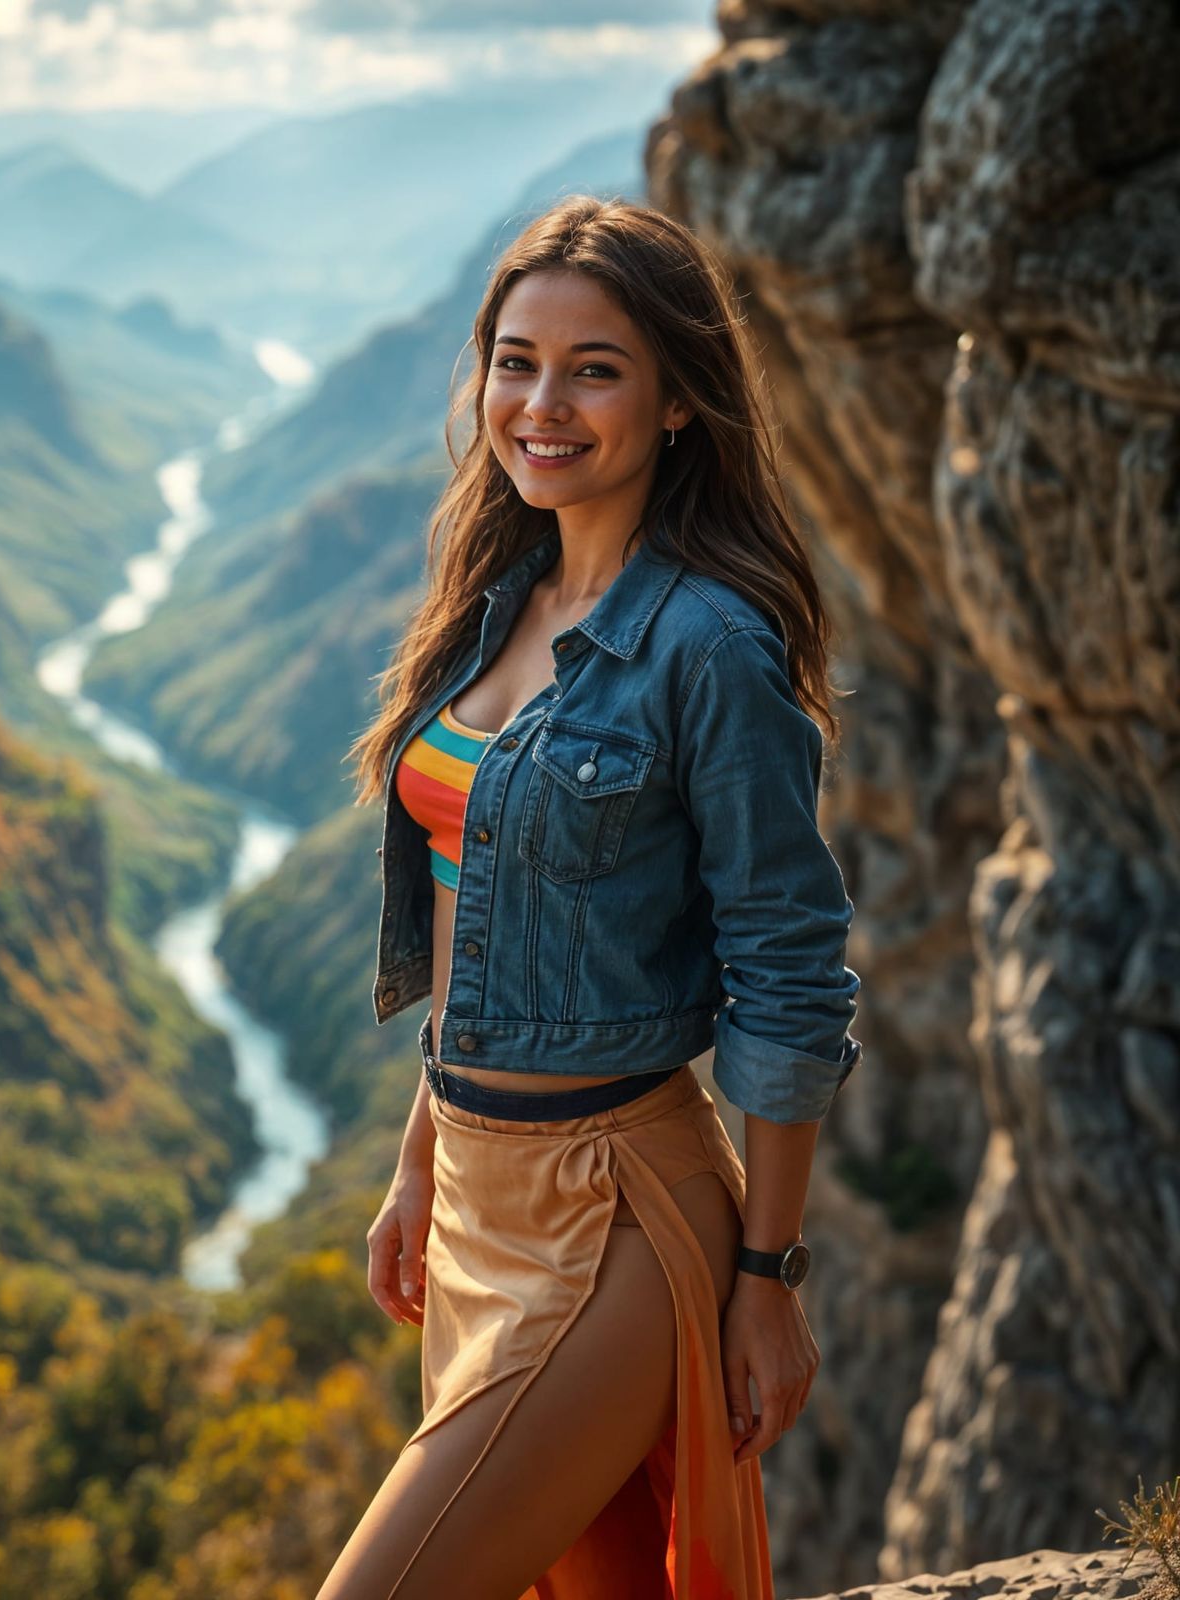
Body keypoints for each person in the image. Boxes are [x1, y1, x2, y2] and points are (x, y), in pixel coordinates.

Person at [321, 196, 863, 1600]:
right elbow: (470, 913)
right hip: (475, 1204)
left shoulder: (712, 648)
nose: (539, 404)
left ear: (679, 399)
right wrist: (415, 1159)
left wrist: (768, 1279)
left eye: (594, 368)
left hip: (617, 1210)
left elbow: (790, 975)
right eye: (514, 360)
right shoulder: (498, 600)